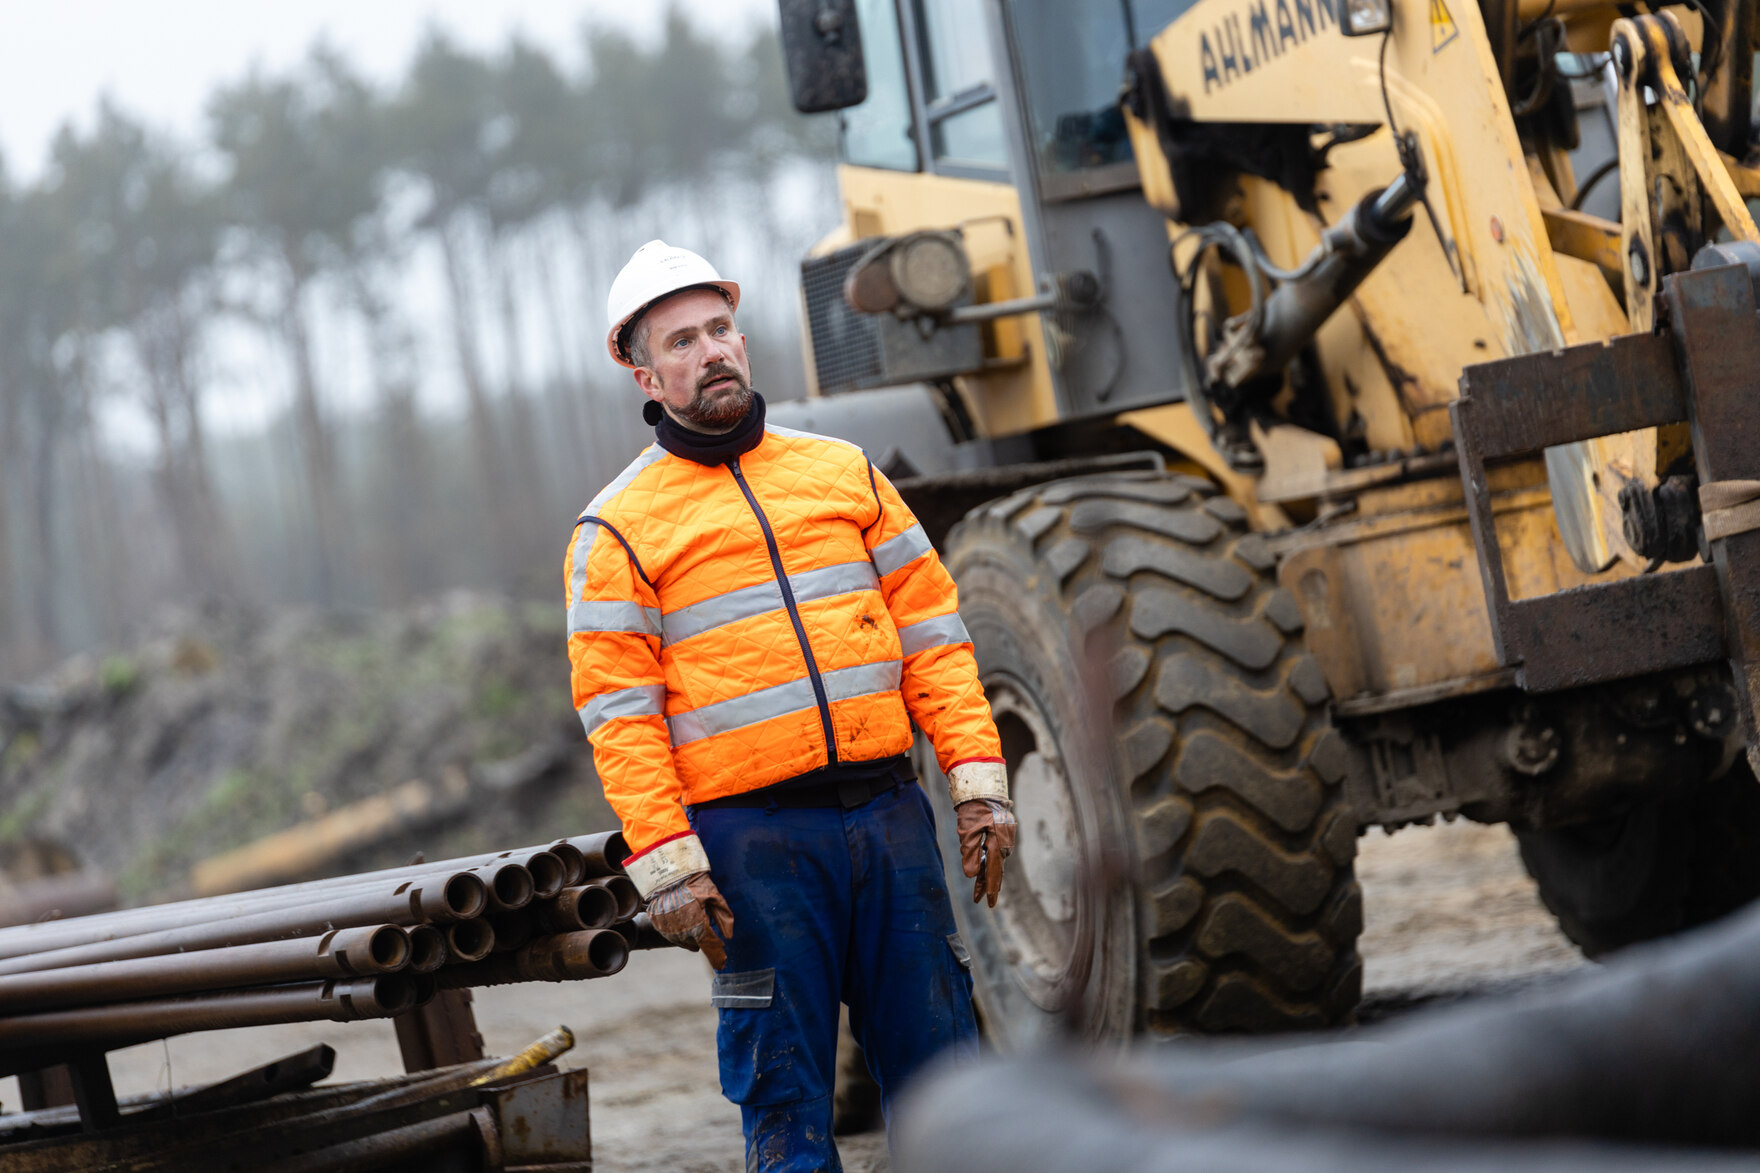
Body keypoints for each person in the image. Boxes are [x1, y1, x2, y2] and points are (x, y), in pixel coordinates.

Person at [564, 240, 1016, 1170]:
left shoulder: (844, 474)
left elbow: (934, 633)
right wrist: (667, 864)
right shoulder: (617, 528)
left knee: (949, 1079)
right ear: (644, 372)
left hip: (890, 818)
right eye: (683, 340)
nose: (712, 350)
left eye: (722, 328)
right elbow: (620, 716)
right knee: (785, 1094)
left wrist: (977, 782)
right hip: (752, 846)